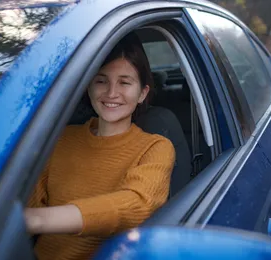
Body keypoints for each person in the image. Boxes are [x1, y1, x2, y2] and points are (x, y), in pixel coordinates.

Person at [25, 32, 176, 260]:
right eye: (101, 80)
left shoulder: (156, 147)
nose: (111, 93)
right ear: (89, 87)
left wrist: (37, 220)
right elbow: (30, 202)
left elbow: (137, 204)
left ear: (142, 93)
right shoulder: (62, 138)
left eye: (125, 82)